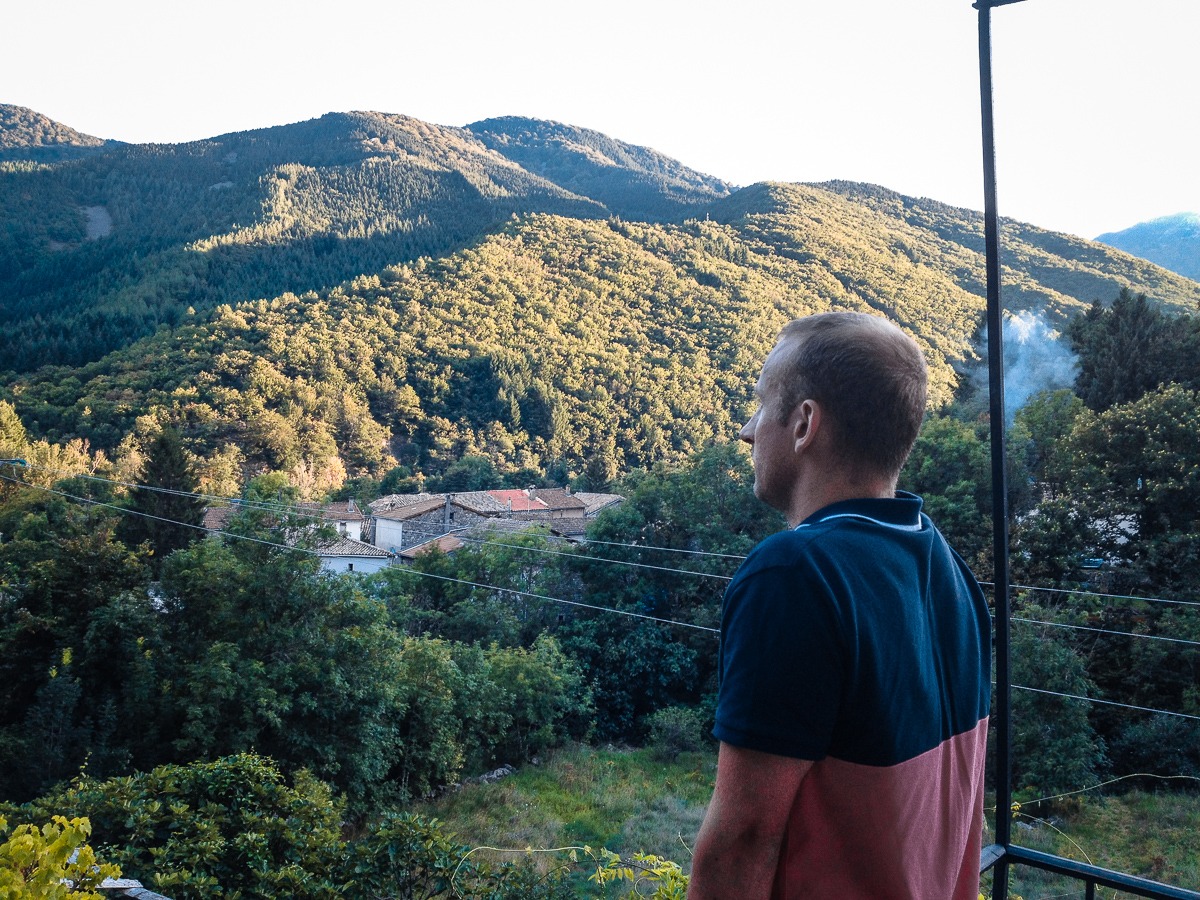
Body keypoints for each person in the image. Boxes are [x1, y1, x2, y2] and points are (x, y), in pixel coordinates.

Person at [687, 312, 991, 900]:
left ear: (804, 424)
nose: (748, 432)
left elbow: (743, 841)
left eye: (760, 405)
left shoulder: (796, 574)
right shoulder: (952, 573)